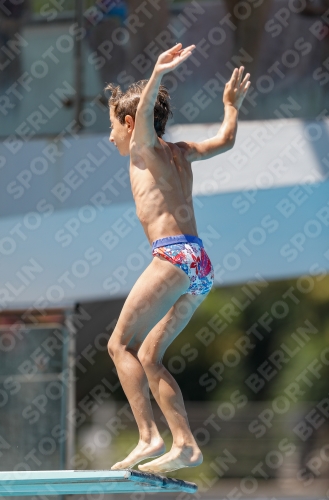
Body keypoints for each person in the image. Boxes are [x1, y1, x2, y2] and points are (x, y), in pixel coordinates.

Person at [105, 43, 250, 473]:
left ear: (131, 124)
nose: (110, 135)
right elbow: (225, 140)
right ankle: (185, 445)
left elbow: (145, 112)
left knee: (118, 345)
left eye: (112, 126)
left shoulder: (143, 149)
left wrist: (156, 73)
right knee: (148, 356)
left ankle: (149, 436)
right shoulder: (181, 152)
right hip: (200, 265)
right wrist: (231, 107)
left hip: (173, 256)